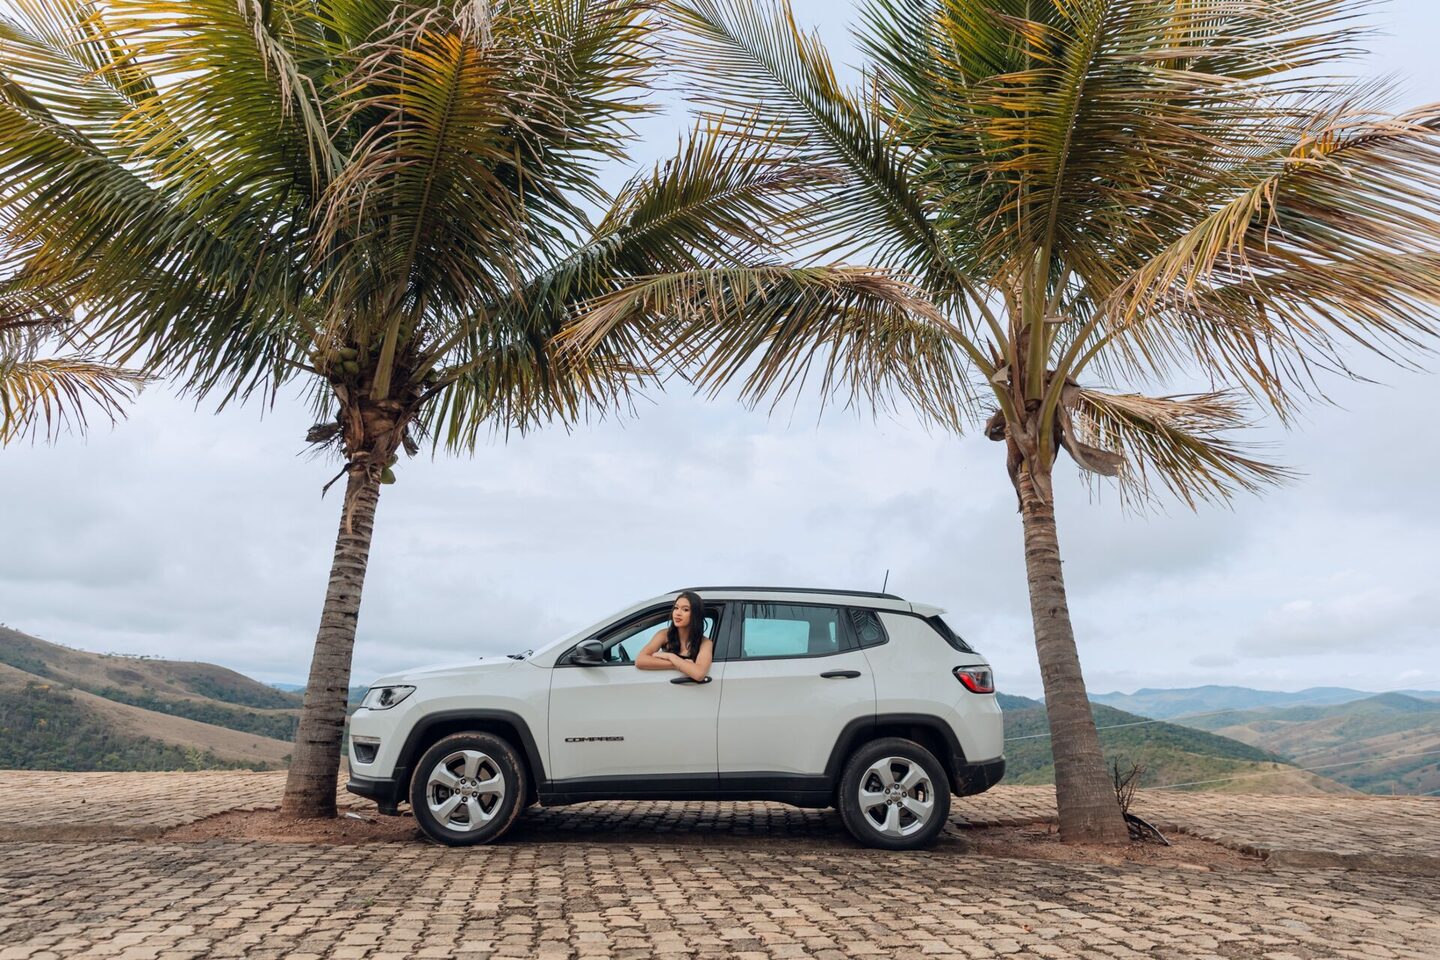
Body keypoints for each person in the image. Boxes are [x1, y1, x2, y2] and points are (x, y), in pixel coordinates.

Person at [635, 590, 713, 682]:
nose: (678, 613)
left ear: (695, 615)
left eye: (685, 609)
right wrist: (677, 664)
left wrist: (670, 657)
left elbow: (699, 674)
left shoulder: (705, 643)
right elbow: (640, 660)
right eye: (676, 608)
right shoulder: (664, 635)